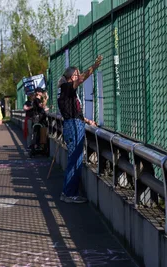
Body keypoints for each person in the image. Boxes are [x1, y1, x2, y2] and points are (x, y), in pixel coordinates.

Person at [57, 55, 102, 204]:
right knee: (74, 160)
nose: (78, 76)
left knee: (76, 160)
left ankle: (69, 192)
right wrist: (94, 66)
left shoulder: (69, 91)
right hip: (73, 126)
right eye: (75, 74)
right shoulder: (66, 88)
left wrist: (87, 120)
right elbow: (82, 79)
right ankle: (69, 193)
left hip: (75, 123)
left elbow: (75, 112)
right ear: (70, 77)